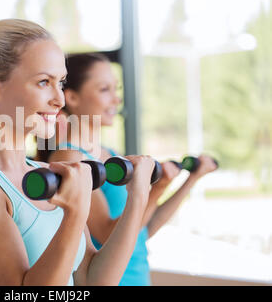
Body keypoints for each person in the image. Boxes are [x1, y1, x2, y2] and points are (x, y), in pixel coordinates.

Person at [0, 18, 156, 286]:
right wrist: (75, 214)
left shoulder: (41, 173)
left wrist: (138, 197)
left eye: (61, 82)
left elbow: (92, 280)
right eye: (44, 82)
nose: (60, 100)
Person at [46, 52, 218, 286]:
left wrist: (189, 180)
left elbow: (142, 230)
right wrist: (153, 191)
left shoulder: (112, 154)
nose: (116, 100)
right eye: (104, 90)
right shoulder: (70, 157)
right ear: (72, 97)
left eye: (115, 90)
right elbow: (107, 234)